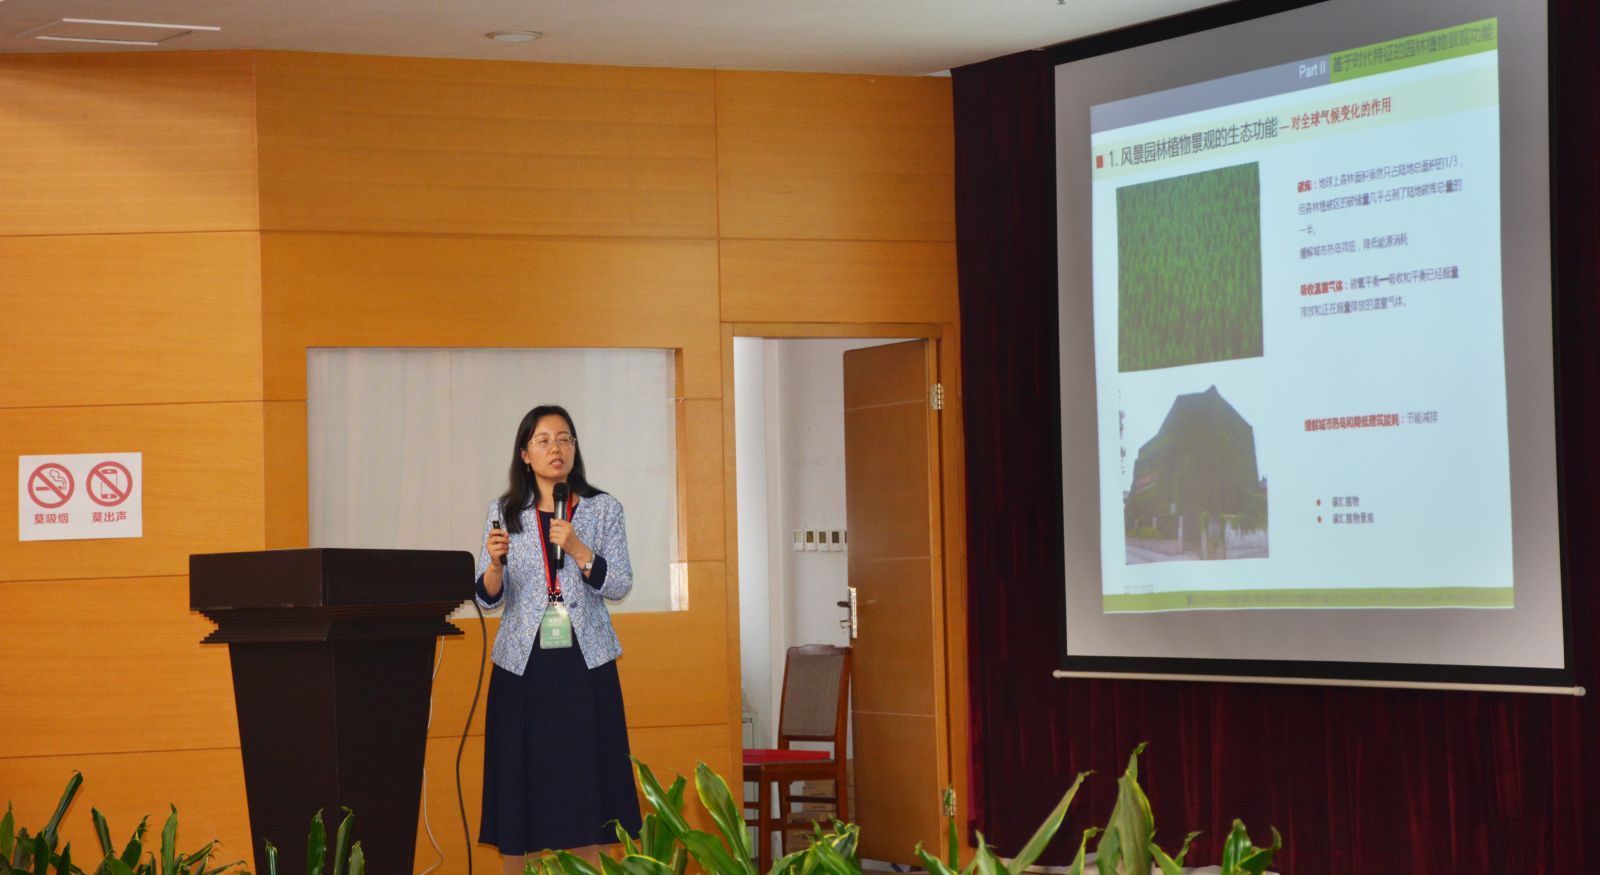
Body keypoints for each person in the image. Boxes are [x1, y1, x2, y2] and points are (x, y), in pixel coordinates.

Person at [475, 405, 642, 874]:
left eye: (565, 439)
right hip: (522, 666)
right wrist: (493, 565)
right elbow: (489, 598)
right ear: (525, 454)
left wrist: (578, 549)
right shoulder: (504, 511)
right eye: (544, 440)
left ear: (575, 449)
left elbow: (619, 584)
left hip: (584, 663)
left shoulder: (603, 508)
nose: (556, 448)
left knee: (585, 779)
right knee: (519, 778)